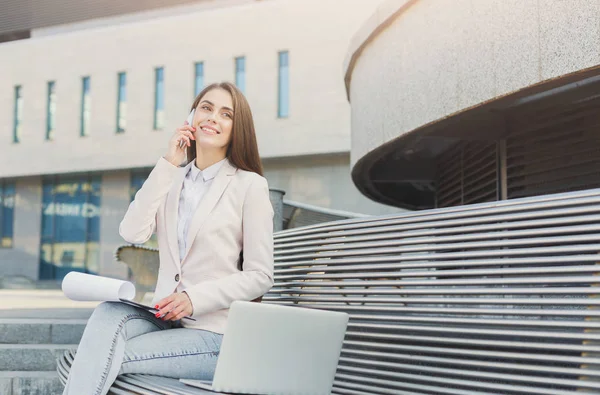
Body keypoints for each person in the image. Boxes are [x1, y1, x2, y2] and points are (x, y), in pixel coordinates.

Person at [62, 82, 275, 395]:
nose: (213, 117)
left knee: (100, 357)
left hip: (213, 334)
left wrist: (193, 299)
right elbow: (131, 232)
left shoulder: (249, 186)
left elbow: (261, 276)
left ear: (236, 128)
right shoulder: (172, 179)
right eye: (206, 107)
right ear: (192, 116)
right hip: (162, 320)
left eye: (225, 113)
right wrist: (168, 163)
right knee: (108, 314)